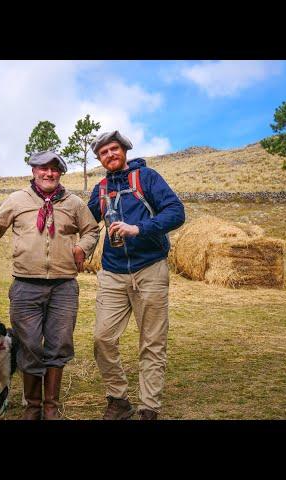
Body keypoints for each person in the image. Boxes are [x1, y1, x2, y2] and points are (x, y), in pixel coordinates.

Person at [0, 151, 100, 420]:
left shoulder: (73, 203)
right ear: (33, 171)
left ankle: (50, 406)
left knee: (58, 345)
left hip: (64, 287)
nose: (48, 174)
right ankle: (33, 406)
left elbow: (92, 230)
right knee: (28, 346)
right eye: (43, 169)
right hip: (25, 286)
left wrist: (82, 248)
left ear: (60, 173)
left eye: (54, 169)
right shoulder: (16, 200)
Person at [87, 131, 185, 420]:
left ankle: (148, 407)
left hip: (150, 268)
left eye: (114, 149)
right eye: (103, 153)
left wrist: (139, 229)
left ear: (124, 150)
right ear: (99, 159)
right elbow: (85, 222)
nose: (110, 155)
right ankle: (118, 400)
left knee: (152, 341)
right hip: (113, 273)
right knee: (102, 339)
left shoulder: (147, 178)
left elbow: (176, 212)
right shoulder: (100, 189)